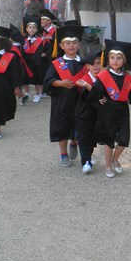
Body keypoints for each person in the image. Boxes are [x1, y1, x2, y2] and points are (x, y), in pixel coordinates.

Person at [87, 40, 131, 178]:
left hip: (122, 110)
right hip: (108, 110)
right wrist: (98, 99)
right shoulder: (103, 76)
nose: (115, 61)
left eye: (118, 58)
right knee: (108, 140)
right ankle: (108, 166)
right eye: (112, 57)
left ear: (124, 60)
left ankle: (115, 159)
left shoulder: (128, 78)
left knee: (124, 140)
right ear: (108, 59)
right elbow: (94, 92)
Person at [42, 24, 87, 167]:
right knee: (62, 127)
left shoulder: (85, 64)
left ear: (79, 45)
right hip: (61, 100)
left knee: (79, 124)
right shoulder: (56, 64)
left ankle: (74, 142)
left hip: (80, 101)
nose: (71, 46)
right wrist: (61, 83)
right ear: (61, 46)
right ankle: (63, 155)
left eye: (74, 43)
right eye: (67, 43)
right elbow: (48, 81)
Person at [73, 50, 103, 174]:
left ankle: (88, 156)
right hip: (84, 113)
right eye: (92, 64)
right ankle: (86, 162)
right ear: (87, 66)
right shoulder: (84, 80)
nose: (96, 66)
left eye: (98, 63)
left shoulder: (103, 78)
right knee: (84, 136)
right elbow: (87, 98)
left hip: (97, 114)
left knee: (92, 137)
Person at [21, 21, 46, 103]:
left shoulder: (39, 40)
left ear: (36, 30)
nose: (32, 29)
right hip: (25, 61)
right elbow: (21, 50)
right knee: (25, 78)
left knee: (37, 79)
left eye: (34, 28)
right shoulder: (23, 39)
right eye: (30, 27)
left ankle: (38, 94)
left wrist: (34, 59)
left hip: (36, 62)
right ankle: (27, 93)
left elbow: (40, 51)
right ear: (27, 29)